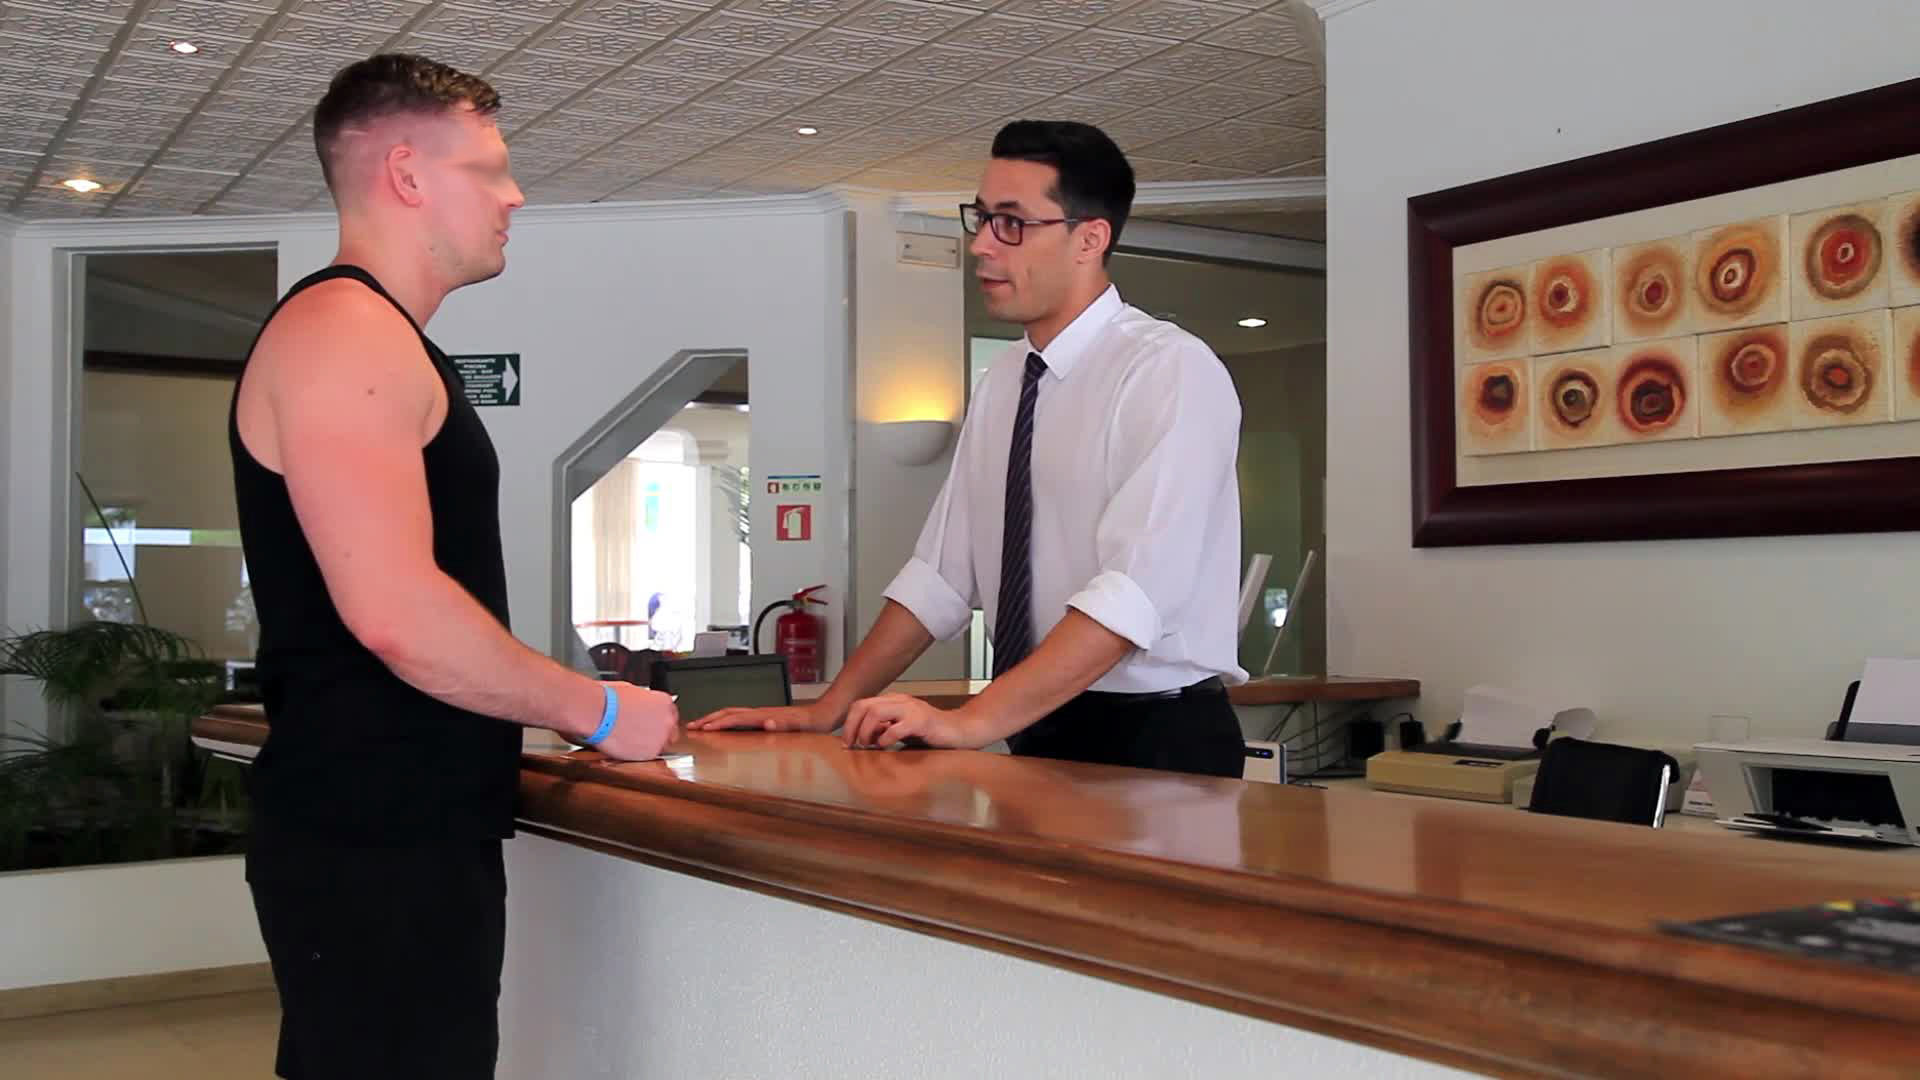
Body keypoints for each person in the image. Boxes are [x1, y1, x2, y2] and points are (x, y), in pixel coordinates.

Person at [228, 54, 677, 1079]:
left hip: (399, 827)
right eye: (490, 169)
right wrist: (599, 709)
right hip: (370, 835)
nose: (515, 196)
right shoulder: (344, 332)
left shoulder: (378, 338)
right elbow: (396, 613)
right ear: (406, 173)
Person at [695, 120, 1247, 778]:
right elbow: (941, 577)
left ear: (1089, 239)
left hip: (1157, 735)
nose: (982, 244)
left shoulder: (1169, 370)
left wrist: (973, 720)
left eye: (1011, 223)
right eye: (981, 218)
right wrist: (830, 708)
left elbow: (1133, 596)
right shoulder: (1005, 379)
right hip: (1037, 720)